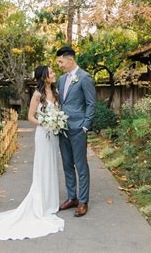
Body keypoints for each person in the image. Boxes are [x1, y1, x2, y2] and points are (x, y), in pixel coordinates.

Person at [0, 65, 64, 240]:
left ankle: (51, 204)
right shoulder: (38, 95)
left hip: (54, 135)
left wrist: (57, 121)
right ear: (44, 77)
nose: (54, 74)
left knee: (52, 166)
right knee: (42, 167)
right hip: (43, 133)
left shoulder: (56, 92)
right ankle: (41, 205)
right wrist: (45, 123)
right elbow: (30, 117)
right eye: (51, 73)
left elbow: (58, 111)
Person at [56, 46, 96, 217]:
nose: (59, 65)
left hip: (78, 128)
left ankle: (83, 201)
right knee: (66, 164)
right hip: (62, 128)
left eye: (60, 61)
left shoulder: (85, 78)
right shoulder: (61, 79)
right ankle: (71, 197)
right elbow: (61, 102)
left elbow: (91, 103)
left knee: (80, 165)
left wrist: (85, 125)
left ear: (70, 59)